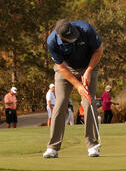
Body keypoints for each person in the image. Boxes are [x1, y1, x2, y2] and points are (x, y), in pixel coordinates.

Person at [44, 19, 103, 158]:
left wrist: (88, 71)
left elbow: (98, 50)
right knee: (61, 102)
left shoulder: (86, 29)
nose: (74, 38)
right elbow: (61, 67)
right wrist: (77, 85)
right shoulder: (52, 41)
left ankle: (92, 145)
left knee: (88, 101)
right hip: (65, 70)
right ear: (60, 36)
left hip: (88, 66)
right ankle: (53, 147)